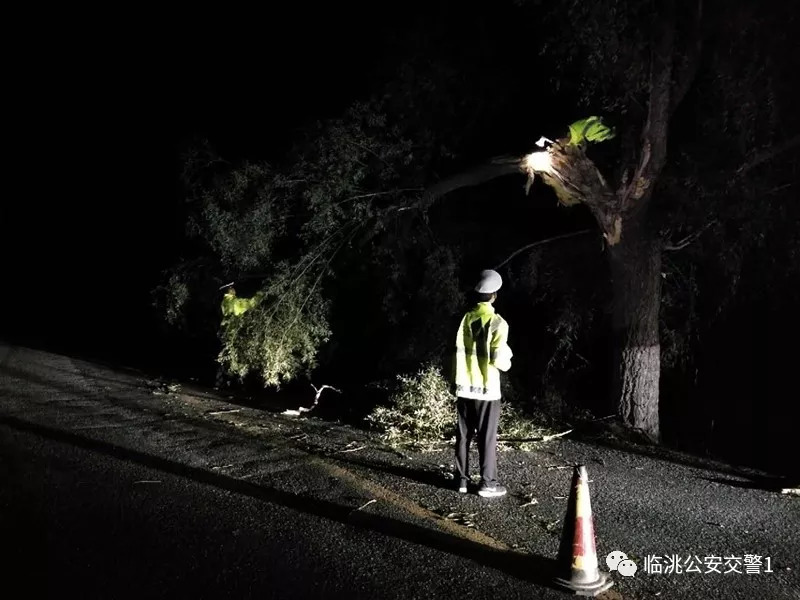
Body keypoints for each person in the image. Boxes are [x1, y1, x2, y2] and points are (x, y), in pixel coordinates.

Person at [450, 269, 513, 498]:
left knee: (463, 435)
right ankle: (488, 483)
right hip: (487, 390)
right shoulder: (498, 323)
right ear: (494, 295)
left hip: (464, 386)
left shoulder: (466, 318)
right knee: (486, 437)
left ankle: (461, 480)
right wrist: (509, 356)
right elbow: (500, 361)